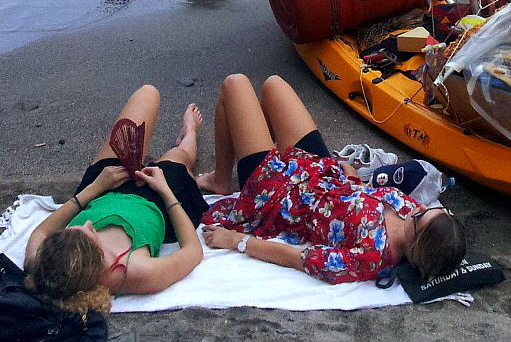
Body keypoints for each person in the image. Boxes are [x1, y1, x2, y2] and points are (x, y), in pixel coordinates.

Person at [197, 74, 466, 284]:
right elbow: (364, 199)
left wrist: (235, 241)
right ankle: (257, 143)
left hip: (277, 193)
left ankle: (222, 180)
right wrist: (353, 180)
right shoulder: (408, 213)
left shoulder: (370, 259)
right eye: (426, 209)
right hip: (322, 172)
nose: (417, 208)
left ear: (417, 246)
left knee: (235, 85)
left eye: (421, 217)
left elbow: (299, 259)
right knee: (273, 86)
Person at [24, 88, 205, 307]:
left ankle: (141, 157)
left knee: (147, 94)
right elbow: (192, 252)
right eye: (92, 232)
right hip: (156, 202)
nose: (90, 224)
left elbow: (41, 231)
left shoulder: (43, 265)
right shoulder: (137, 273)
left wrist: (94, 188)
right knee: (179, 155)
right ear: (99, 264)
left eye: (78, 226)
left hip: (101, 189)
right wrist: (166, 191)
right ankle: (189, 133)